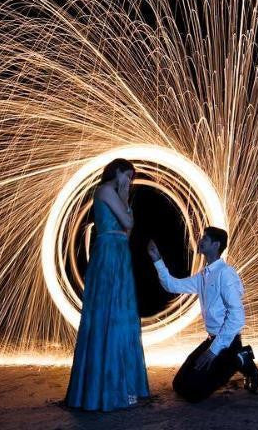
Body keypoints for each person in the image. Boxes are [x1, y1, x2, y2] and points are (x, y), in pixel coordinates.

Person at [65, 158, 150, 411]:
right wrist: (124, 194)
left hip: (119, 253)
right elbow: (128, 224)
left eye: (132, 178)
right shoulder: (104, 190)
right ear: (118, 171)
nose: (130, 181)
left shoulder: (115, 194)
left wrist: (124, 199)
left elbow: (127, 232)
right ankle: (103, 390)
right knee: (107, 315)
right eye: (128, 175)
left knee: (122, 316)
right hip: (109, 254)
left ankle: (127, 389)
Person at [147, 227, 258, 402]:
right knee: (179, 385)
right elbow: (173, 286)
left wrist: (214, 351)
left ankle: (239, 359)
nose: (200, 241)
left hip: (227, 342)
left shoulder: (225, 274)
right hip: (212, 340)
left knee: (193, 394)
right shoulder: (204, 275)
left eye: (205, 239)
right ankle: (234, 358)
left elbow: (237, 316)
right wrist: (157, 260)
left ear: (216, 245)